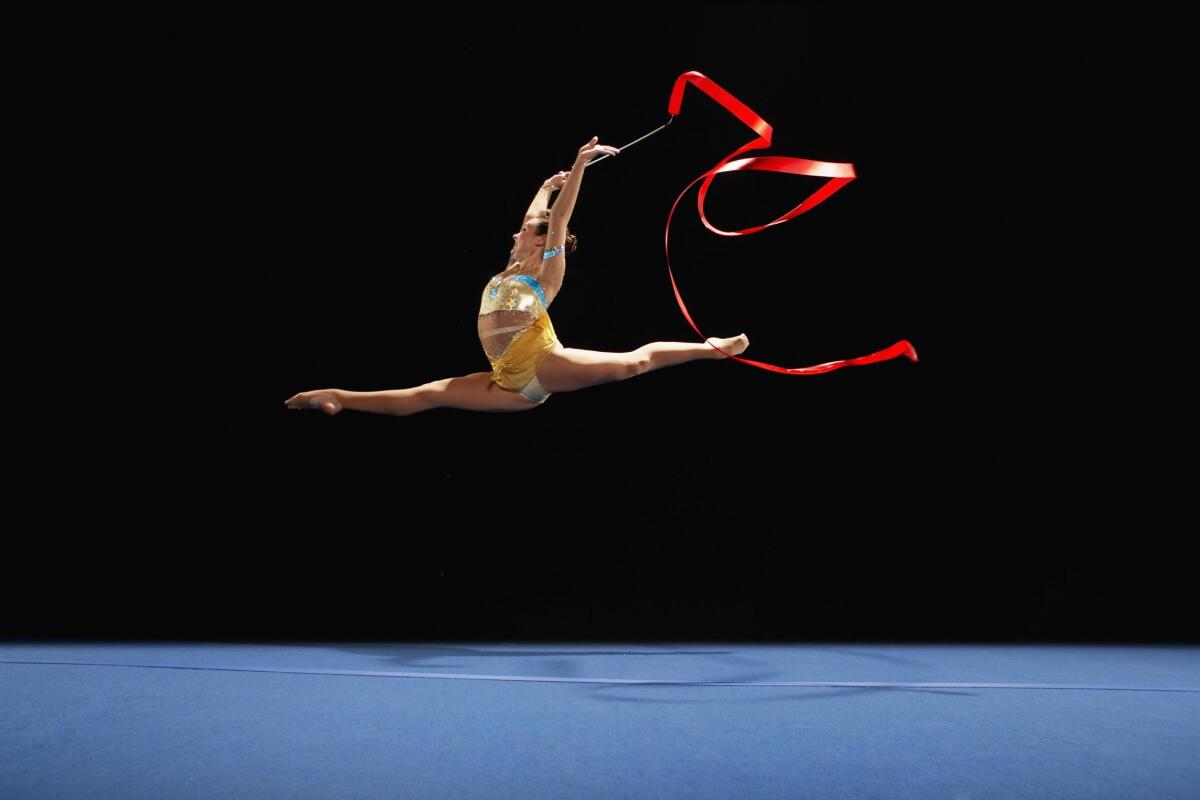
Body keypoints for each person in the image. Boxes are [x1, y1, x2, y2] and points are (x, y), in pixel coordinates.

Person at [285, 136, 749, 416]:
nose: (516, 231)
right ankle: (338, 398)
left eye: (525, 231)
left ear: (540, 241)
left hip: (541, 364)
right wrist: (546, 188)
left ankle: (714, 349)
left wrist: (580, 169)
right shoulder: (513, 267)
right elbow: (539, 215)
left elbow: (557, 221)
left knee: (634, 363)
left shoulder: (547, 269)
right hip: (506, 381)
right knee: (425, 395)